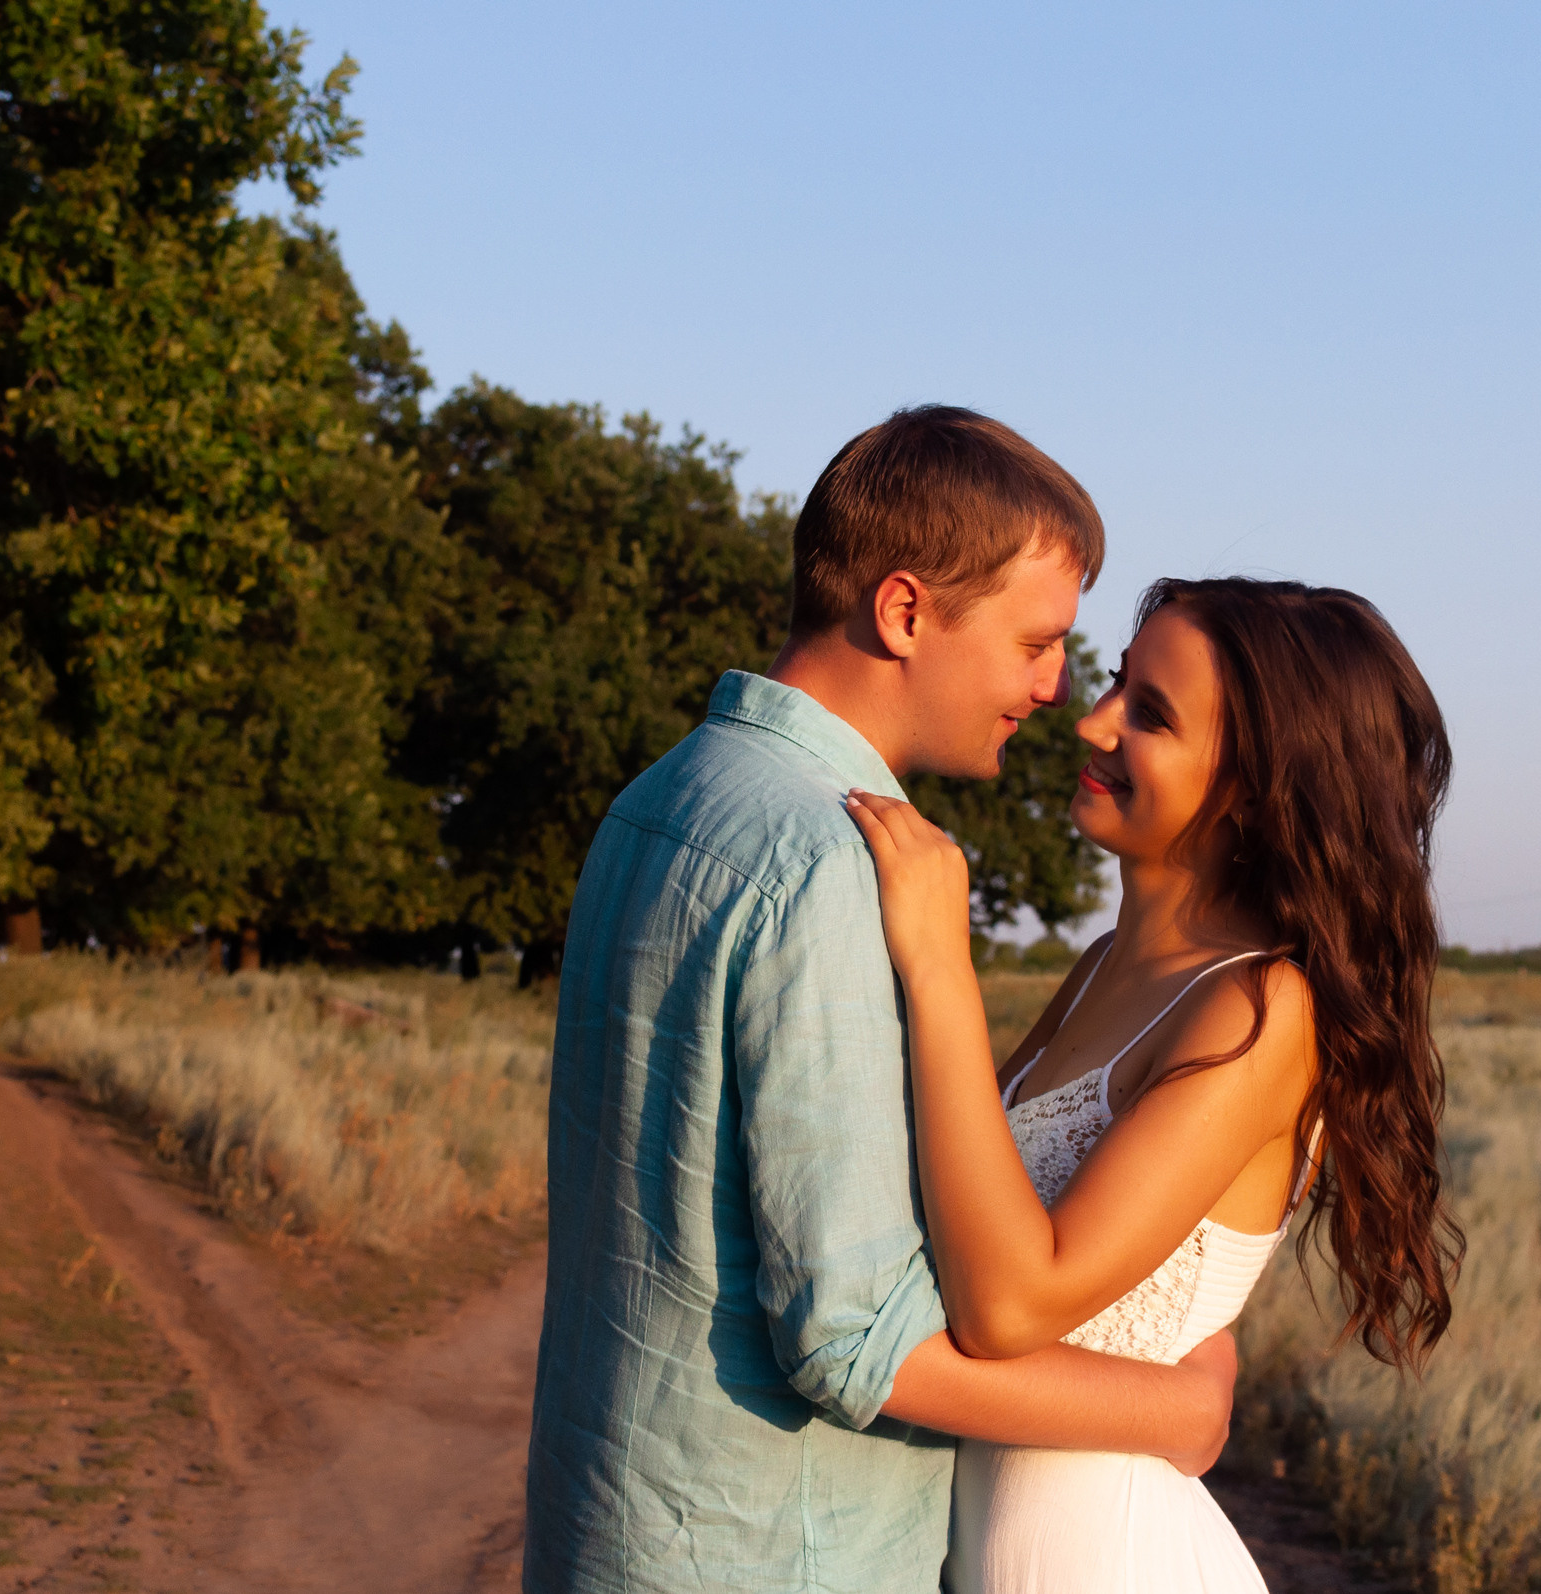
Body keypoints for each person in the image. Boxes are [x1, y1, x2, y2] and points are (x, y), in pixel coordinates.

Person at [523, 408, 1241, 1594]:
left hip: (610, 1527)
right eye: (1035, 642)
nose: (1058, 688)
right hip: (771, 1551)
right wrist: (1172, 1408)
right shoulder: (830, 863)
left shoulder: (658, 797)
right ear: (905, 611)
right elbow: (854, 1340)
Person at [844, 576, 1465, 1592]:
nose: (1090, 724)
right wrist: (1182, 1402)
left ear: (1259, 785)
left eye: (1151, 714)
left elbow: (1008, 1305)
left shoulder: (1264, 1008)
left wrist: (939, 964)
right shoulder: (1102, 965)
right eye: (1117, 685)